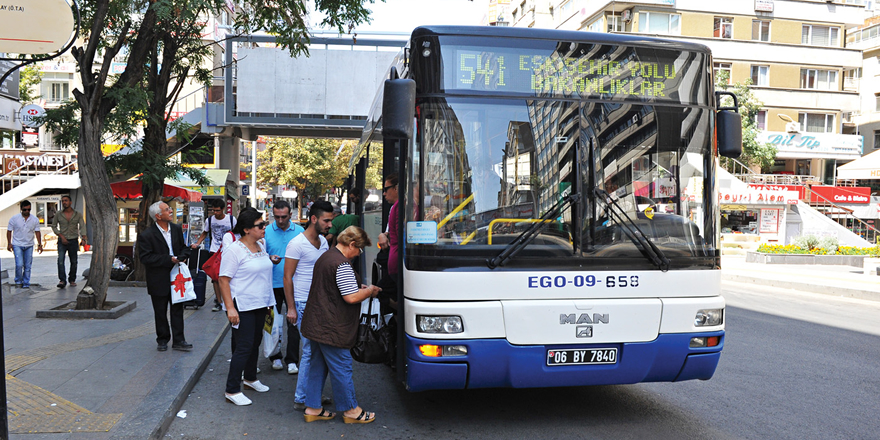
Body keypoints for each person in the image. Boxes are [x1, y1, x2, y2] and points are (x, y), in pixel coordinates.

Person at [300, 226, 381, 424]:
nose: (358, 253)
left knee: (317, 366)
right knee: (341, 366)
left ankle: (313, 407)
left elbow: (332, 287)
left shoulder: (326, 257)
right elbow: (351, 297)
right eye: (359, 249)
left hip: (316, 322)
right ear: (352, 245)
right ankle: (351, 410)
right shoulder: (342, 264)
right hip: (332, 327)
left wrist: (357, 287)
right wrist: (369, 290)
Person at [217, 209, 278, 406]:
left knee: (255, 343)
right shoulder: (233, 250)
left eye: (264, 224)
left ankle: (250, 379)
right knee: (243, 346)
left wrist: (269, 302)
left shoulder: (261, 245)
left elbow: (263, 274)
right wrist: (230, 308)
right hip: (242, 305)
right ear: (246, 229)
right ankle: (232, 389)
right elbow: (223, 280)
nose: (264, 228)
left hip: (261, 303)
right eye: (260, 225)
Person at [284, 201, 334, 411]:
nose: (330, 225)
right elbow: (287, 277)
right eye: (327, 220)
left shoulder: (322, 241)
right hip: (303, 303)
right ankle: (302, 397)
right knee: (310, 350)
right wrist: (291, 308)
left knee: (316, 351)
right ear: (314, 219)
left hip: (318, 303)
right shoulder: (296, 244)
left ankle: (310, 394)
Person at [137, 201, 192, 352]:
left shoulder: (176, 229)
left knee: (177, 309)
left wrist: (183, 256)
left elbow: (183, 247)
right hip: (158, 278)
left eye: (169, 209)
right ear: (158, 216)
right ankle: (162, 339)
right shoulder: (147, 235)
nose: (171, 211)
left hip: (176, 277)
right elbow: (146, 258)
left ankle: (179, 340)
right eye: (167, 210)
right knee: (160, 311)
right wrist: (169, 259)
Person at [264, 200, 304, 374]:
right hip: (271, 283)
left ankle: (292, 359)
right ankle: (275, 356)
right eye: (277, 217)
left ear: (291, 215)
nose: (280, 220)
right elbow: (258, 254)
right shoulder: (265, 232)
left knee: (293, 321)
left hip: (294, 284)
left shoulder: (300, 232)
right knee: (272, 322)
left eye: (284, 217)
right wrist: (268, 258)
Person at [191, 199, 236, 312]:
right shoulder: (209, 220)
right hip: (214, 251)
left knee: (228, 275)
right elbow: (205, 232)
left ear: (223, 209)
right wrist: (198, 243)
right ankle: (219, 301)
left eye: (217, 211)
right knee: (215, 278)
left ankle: (228, 299)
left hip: (229, 251)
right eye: (213, 211)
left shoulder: (231, 219)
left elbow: (237, 233)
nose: (215, 213)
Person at [52, 195, 87, 288]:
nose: (64, 202)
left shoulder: (77, 214)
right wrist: (61, 236)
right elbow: (54, 226)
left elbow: (82, 226)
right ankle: (62, 280)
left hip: (73, 240)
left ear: (70, 202)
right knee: (60, 260)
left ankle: (72, 279)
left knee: (74, 261)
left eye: (66, 201)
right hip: (62, 240)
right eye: (63, 201)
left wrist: (84, 238)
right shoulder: (58, 214)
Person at [7, 200, 43, 289]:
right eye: (25, 209)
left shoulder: (34, 219)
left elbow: (37, 232)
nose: (27, 211)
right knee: (19, 264)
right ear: (21, 209)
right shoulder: (14, 218)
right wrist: (9, 243)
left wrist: (40, 244)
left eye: (29, 210)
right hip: (17, 244)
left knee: (28, 265)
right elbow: (9, 231)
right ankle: (18, 281)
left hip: (29, 244)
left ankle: (26, 282)